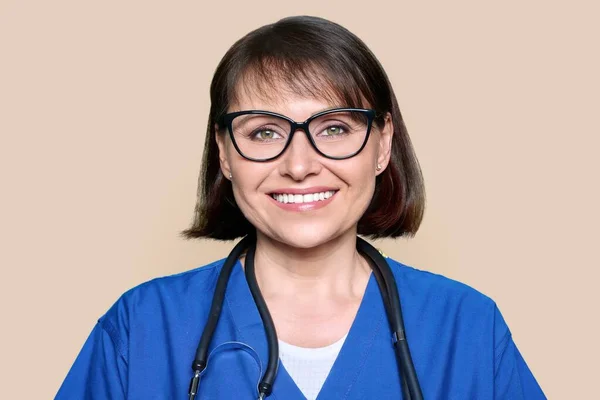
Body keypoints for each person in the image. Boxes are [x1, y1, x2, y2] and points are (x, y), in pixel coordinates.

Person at [56, 15, 546, 399]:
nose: (299, 165)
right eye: (263, 132)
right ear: (225, 154)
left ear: (382, 145)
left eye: (334, 127)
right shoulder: (140, 328)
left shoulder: (469, 327)